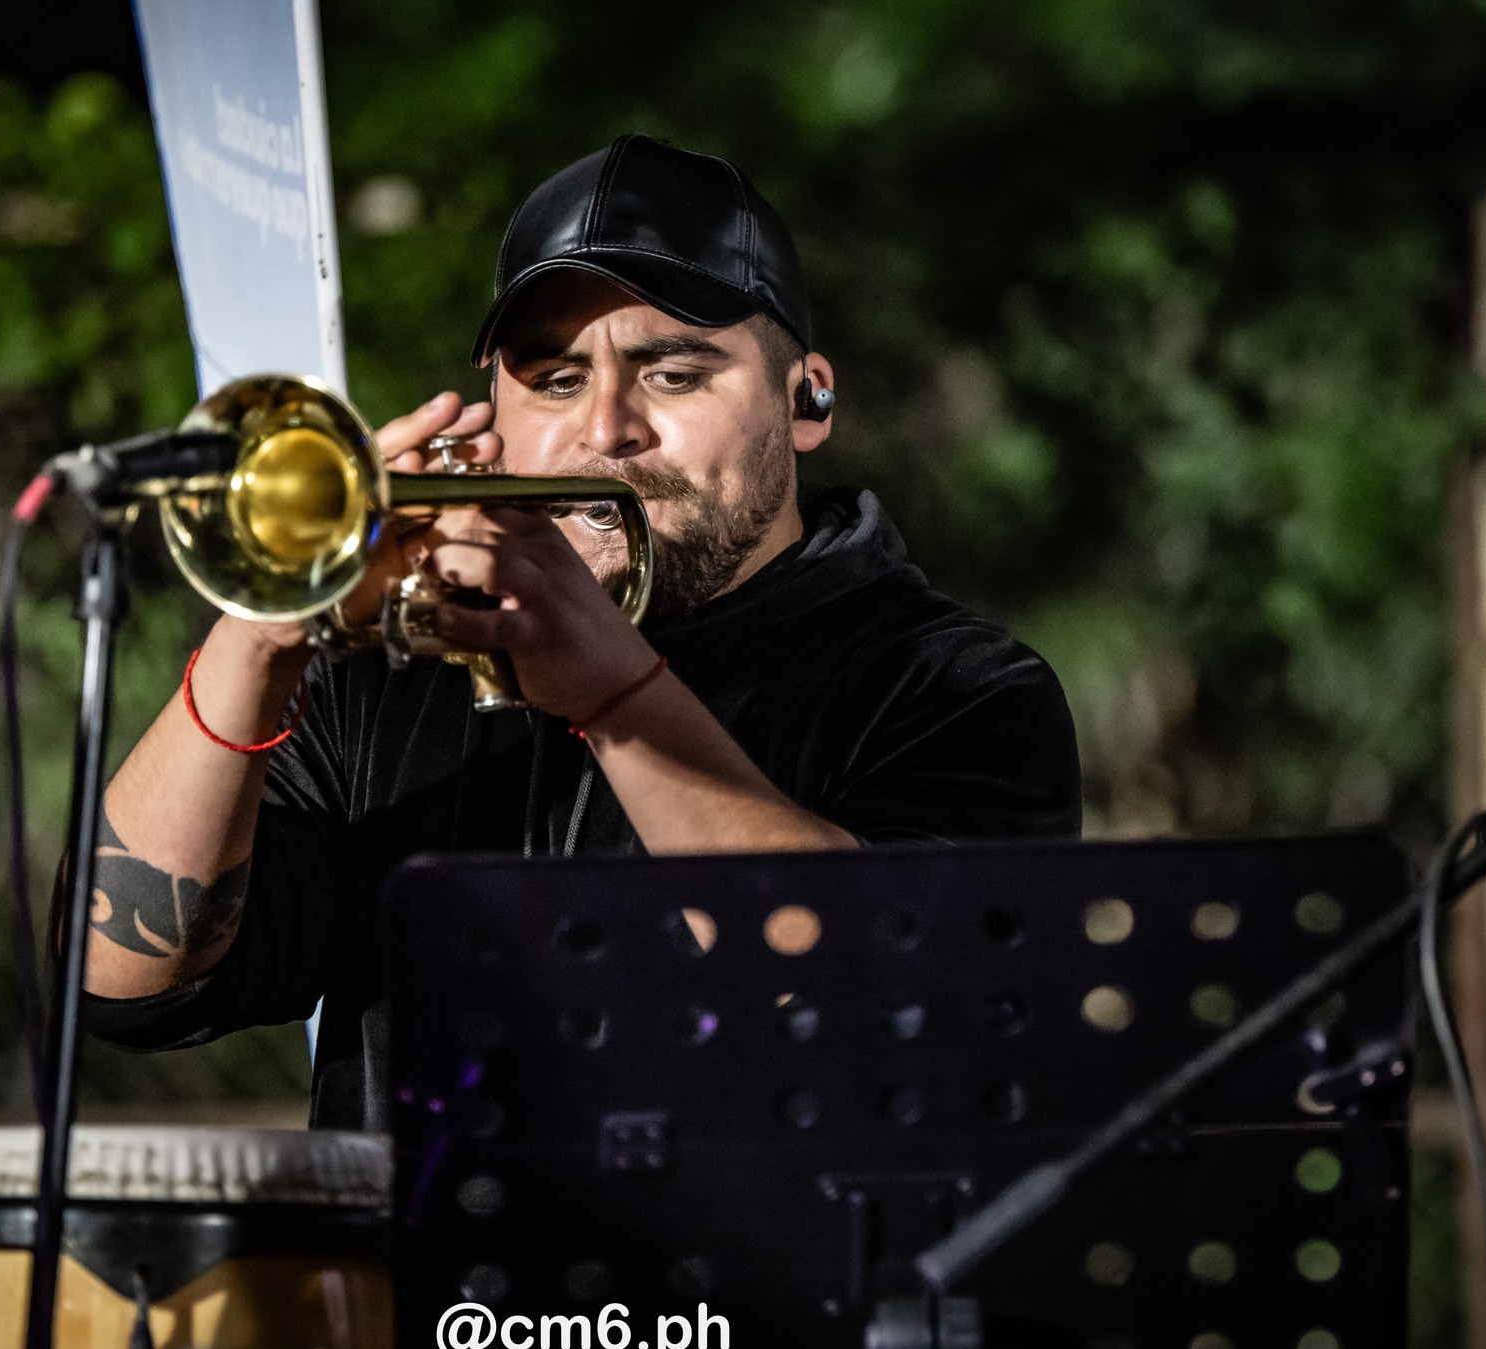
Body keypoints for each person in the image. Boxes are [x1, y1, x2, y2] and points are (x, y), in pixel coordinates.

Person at [82, 134, 1081, 1129]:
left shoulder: (956, 684)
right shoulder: (386, 671)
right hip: (425, 1288)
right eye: (555, 381)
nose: (605, 430)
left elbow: (878, 1005)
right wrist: (261, 633)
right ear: (493, 412)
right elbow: (122, 979)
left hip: (761, 1289)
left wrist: (609, 692)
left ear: (804, 397)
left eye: (674, 373)